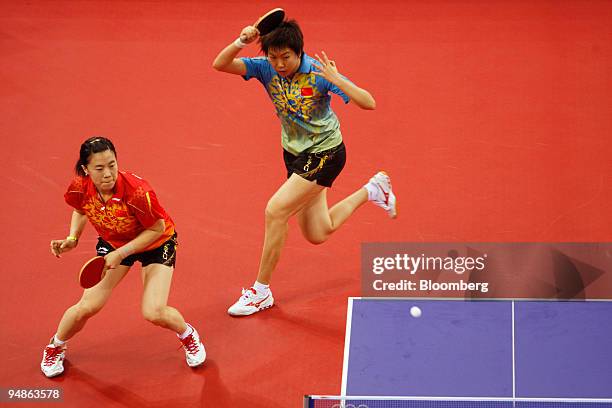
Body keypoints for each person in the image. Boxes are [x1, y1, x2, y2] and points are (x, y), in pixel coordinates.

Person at [212, 19, 397, 316]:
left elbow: (369, 102)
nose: (280, 64)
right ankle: (372, 190)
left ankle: (261, 291)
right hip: (295, 155)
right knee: (318, 232)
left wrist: (337, 80)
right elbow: (220, 64)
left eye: (286, 57)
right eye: (273, 57)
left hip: (326, 153)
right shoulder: (264, 68)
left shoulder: (318, 73)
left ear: (299, 53)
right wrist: (241, 40)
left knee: (275, 211)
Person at [41, 137, 205, 378]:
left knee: (154, 311)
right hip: (114, 241)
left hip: (156, 243)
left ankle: (187, 334)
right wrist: (72, 239)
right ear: (86, 169)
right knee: (87, 306)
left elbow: (157, 228)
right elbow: (80, 210)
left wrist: (122, 253)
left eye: (112, 164)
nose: (108, 173)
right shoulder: (80, 186)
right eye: (99, 168)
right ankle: (55, 346)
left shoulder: (138, 192)